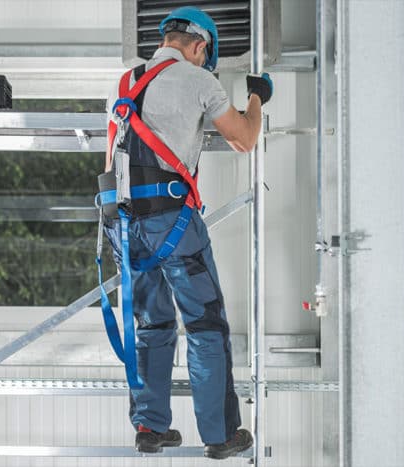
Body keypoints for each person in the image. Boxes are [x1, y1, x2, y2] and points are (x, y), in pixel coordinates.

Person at [100, 5, 273, 460]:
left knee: (151, 325)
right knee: (204, 326)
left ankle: (150, 427)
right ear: (198, 46)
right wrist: (257, 99)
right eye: (204, 56)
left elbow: (109, 164)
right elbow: (244, 139)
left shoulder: (123, 85)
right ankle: (220, 435)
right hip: (171, 222)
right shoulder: (198, 80)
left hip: (120, 225)